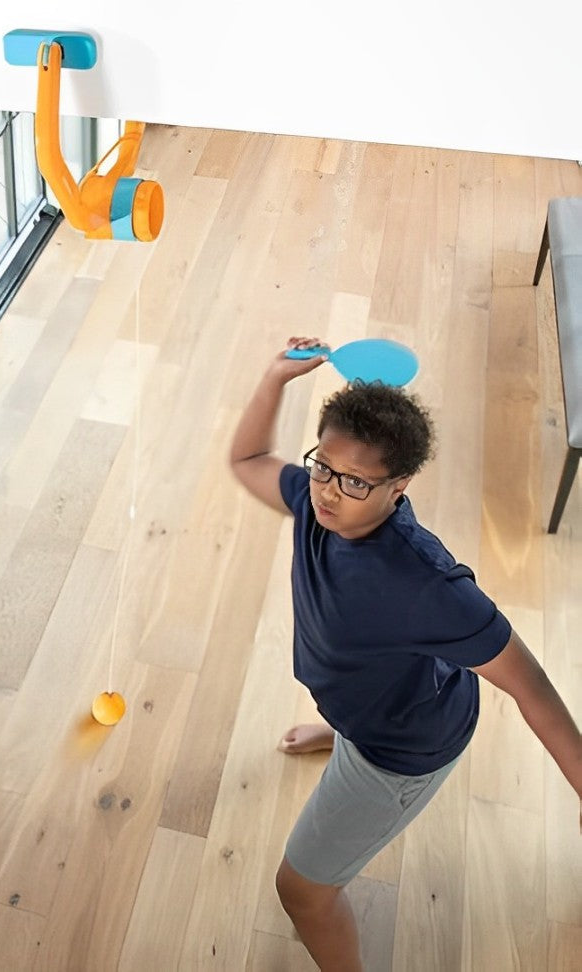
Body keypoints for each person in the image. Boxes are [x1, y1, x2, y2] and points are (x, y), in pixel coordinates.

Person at [229, 336, 582, 972]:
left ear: (401, 485)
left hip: (400, 752)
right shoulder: (320, 507)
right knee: (362, 678)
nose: (331, 492)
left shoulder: (427, 584)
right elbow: (249, 457)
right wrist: (274, 378)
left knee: (300, 892)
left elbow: (530, 686)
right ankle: (343, 735)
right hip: (370, 700)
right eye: (323, 467)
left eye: (356, 482)